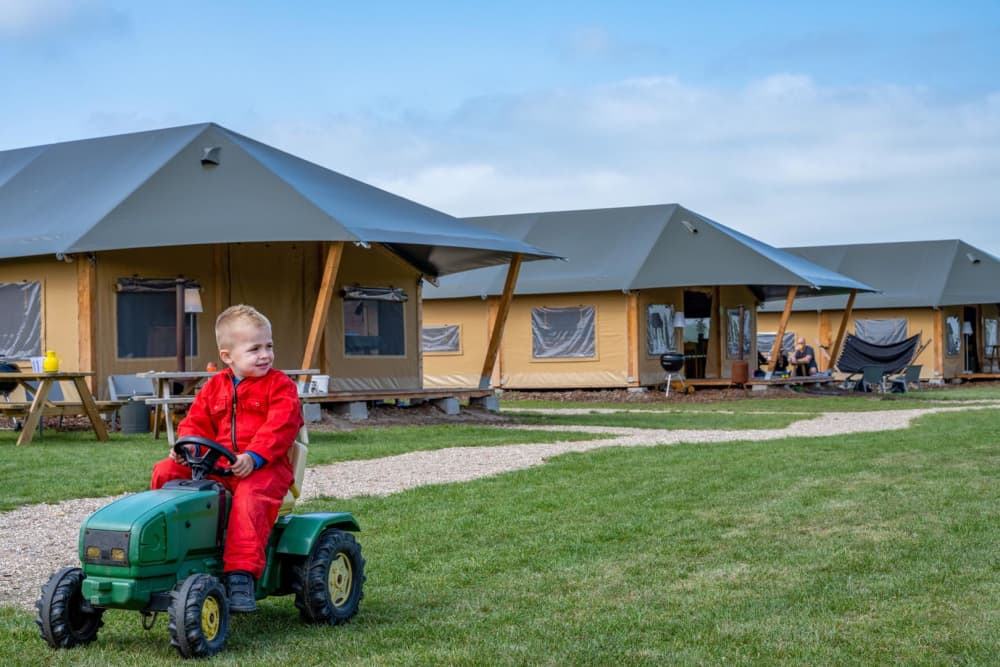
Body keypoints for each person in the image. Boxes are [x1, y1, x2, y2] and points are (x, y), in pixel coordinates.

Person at [150, 304, 303, 612]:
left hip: (266, 469)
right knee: (166, 470)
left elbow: (281, 426)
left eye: (269, 346)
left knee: (249, 497)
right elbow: (195, 422)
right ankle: (161, 547)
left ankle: (240, 575)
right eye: (254, 348)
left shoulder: (280, 386)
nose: (265, 355)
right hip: (218, 467)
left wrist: (254, 456)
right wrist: (186, 448)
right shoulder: (213, 388)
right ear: (227, 356)